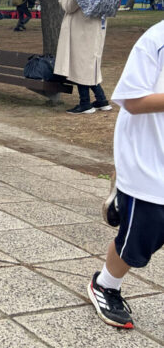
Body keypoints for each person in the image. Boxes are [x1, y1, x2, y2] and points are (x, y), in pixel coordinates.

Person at [87, 20, 164, 330]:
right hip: (148, 157)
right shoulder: (156, 39)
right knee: (143, 236)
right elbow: (132, 100)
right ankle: (106, 284)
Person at [54, 0, 112, 114]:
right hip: (95, 32)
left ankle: (85, 103)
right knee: (89, 67)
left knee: (80, 68)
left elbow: (69, 7)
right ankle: (101, 100)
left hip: (82, 33)